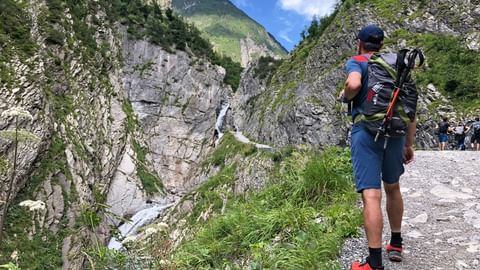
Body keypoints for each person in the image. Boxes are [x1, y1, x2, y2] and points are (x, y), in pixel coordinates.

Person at [341, 24, 416, 270]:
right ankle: (395, 244)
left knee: (371, 195)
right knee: (393, 188)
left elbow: (353, 85)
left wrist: (346, 96)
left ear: (359, 42)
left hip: (367, 132)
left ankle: (373, 263)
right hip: (395, 133)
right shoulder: (396, 66)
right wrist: (408, 143)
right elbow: (409, 108)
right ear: (381, 45)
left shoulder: (358, 61)